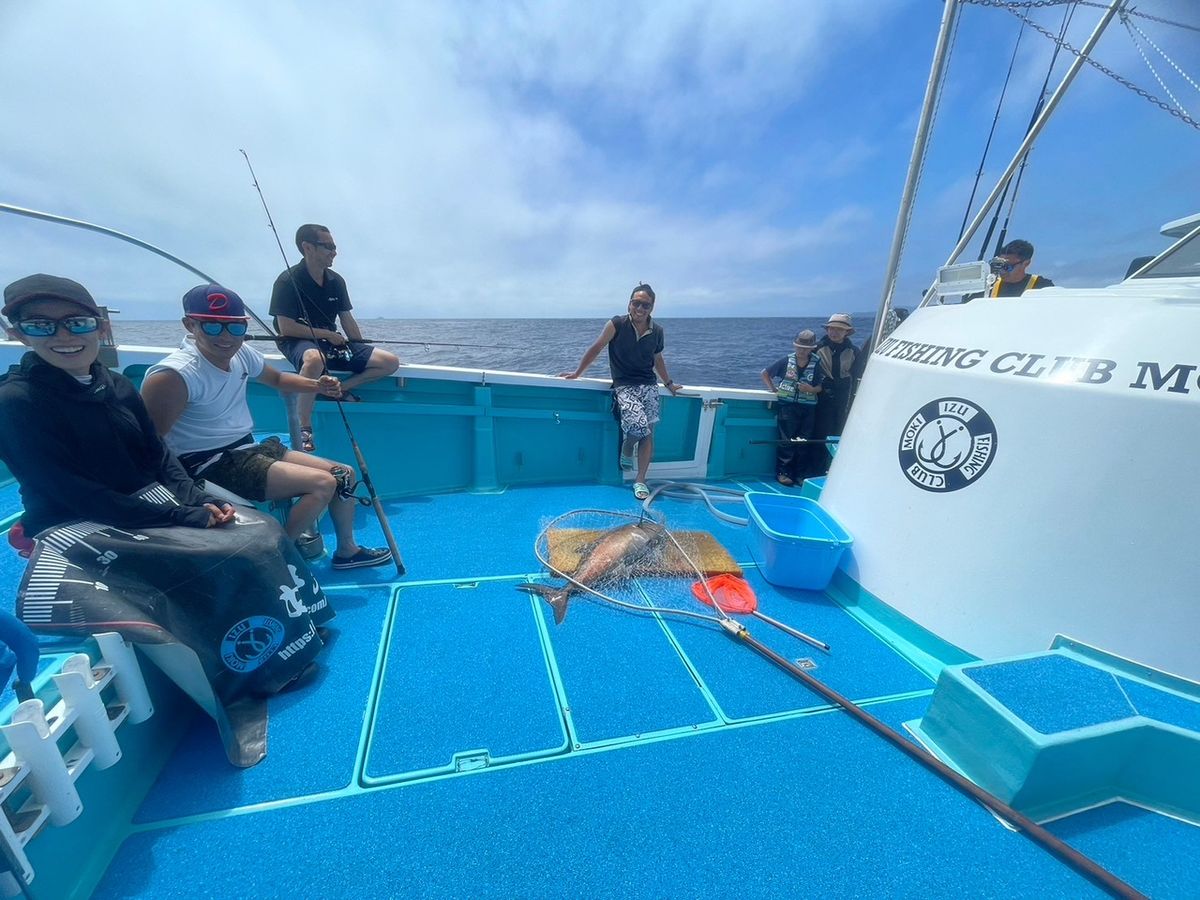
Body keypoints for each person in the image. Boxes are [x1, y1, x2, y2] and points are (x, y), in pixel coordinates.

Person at [0, 274, 331, 766]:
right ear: (18, 332)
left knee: (255, 531)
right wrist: (181, 515)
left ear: (99, 326)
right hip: (79, 520)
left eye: (77, 322)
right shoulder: (16, 402)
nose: (65, 336)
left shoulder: (112, 383)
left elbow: (156, 454)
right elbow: (71, 491)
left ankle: (293, 636)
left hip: (140, 499)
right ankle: (249, 675)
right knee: (219, 552)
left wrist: (196, 498)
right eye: (41, 326)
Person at [141, 283, 393, 571]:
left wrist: (318, 383)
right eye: (213, 327)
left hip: (247, 448)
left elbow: (278, 380)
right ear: (190, 324)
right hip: (208, 464)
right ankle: (274, 559)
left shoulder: (241, 354)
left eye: (235, 328)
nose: (226, 337)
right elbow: (150, 444)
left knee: (343, 474)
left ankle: (347, 551)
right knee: (323, 483)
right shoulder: (175, 375)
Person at [268, 224, 399, 452]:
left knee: (389, 362)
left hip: (331, 341)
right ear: (307, 247)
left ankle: (338, 389)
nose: (333, 252)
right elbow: (285, 327)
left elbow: (346, 318)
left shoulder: (336, 281)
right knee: (315, 359)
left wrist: (358, 347)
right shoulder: (287, 281)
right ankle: (304, 428)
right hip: (296, 340)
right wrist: (327, 334)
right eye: (327, 246)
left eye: (334, 246)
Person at [560, 284, 682, 500]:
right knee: (636, 428)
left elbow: (658, 359)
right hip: (624, 385)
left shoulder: (658, 331)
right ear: (629, 303)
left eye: (646, 304)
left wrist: (669, 383)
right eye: (636, 303)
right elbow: (597, 347)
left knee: (649, 433)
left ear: (651, 308)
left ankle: (640, 480)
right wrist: (578, 372)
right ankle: (627, 447)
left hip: (649, 385)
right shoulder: (616, 324)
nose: (640, 308)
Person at [760, 329, 823, 486]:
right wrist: (773, 389)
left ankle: (800, 474)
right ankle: (783, 472)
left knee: (803, 440)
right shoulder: (786, 361)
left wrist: (811, 389)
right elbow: (765, 373)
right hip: (787, 406)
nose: (802, 351)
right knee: (786, 440)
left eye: (805, 348)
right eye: (799, 347)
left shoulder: (817, 363)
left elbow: (821, 386)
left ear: (811, 349)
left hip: (808, 407)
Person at [813, 313, 860, 472]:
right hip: (822, 395)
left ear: (846, 332)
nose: (834, 332)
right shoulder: (817, 348)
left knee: (839, 431)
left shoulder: (854, 351)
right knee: (820, 432)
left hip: (844, 396)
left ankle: (832, 469)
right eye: (832, 328)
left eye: (839, 329)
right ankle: (816, 469)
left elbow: (858, 374)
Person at [965, 239, 1055, 301]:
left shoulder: (1043, 286)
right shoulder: (989, 287)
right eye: (999, 266)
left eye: (1007, 267)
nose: (1002, 272)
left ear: (1026, 263)